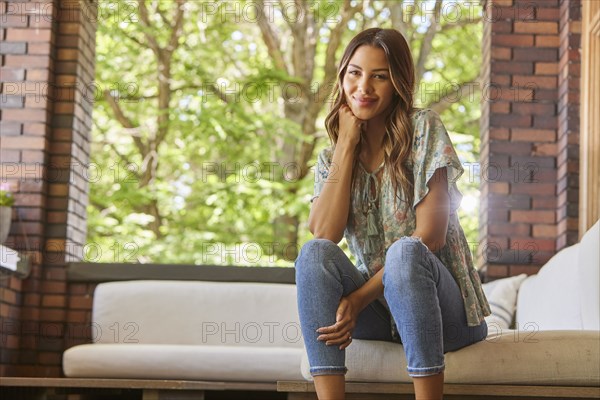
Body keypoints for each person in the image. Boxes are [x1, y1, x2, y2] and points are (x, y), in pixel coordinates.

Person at [295, 28, 491, 400]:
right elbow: (324, 232)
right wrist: (347, 145)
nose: (364, 86)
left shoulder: (424, 130)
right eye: (354, 73)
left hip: (445, 314)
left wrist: (357, 299)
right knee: (313, 255)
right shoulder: (331, 157)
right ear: (341, 77)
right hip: (383, 317)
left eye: (379, 76)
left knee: (406, 250)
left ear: (398, 82)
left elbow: (429, 237)